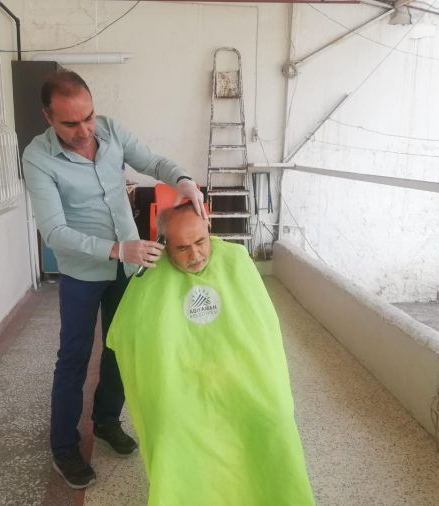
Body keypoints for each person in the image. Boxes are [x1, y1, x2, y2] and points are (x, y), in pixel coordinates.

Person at [21, 70, 206, 489]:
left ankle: (106, 421)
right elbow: (54, 231)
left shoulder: (111, 131)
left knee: (121, 348)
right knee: (73, 358)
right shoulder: (37, 158)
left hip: (128, 268)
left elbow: (153, 162)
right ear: (48, 117)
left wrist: (183, 180)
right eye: (70, 123)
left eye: (88, 116)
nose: (84, 130)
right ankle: (63, 446)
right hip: (82, 274)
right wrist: (117, 248)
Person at [106, 202, 315, 505]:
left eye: (200, 242)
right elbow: (125, 334)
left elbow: (263, 326)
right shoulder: (151, 275)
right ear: (164, 244)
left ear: (209, 230)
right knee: (171, 421)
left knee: (276, 414)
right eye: (182, 248)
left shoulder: (236, 260)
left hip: (240, 370)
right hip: (181, 376)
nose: (195, 255)